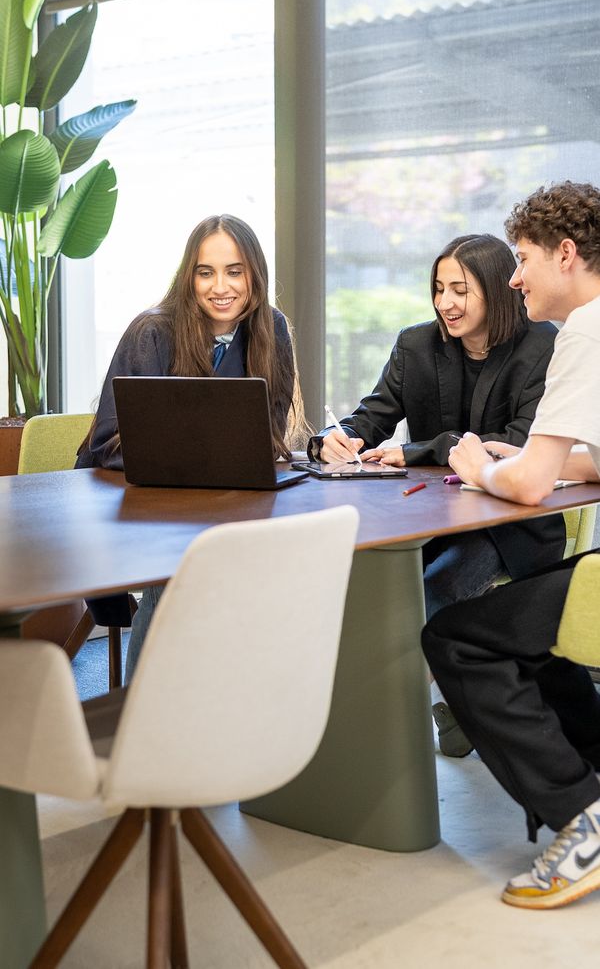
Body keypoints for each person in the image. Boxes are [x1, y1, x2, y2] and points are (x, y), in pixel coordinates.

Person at [308, 233, 564, 754]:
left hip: (506, 524)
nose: (445, 302)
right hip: (423, 517)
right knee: (357, 582)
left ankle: (372, 726)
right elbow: (370, 418)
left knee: (434, 590)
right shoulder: (416, 345)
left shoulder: (542, 345)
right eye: (439, 289)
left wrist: (418, 450)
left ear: (497, 289)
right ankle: (452, 702)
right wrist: (335, 438)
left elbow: (515, 445)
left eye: (460, 290)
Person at [422, 181, 600, 910]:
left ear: (566, 254)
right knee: (532, 631)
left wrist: (480, 467)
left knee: (457, 638)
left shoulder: (585, 330)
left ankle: (583, 821)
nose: (516, 277)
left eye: (523, 259)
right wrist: (534, 462)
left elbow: (525, 488)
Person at [77, 213, 306, 679]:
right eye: (206, 272)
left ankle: (233, 690)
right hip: (135, 503)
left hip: (227, 502)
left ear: (255, 274)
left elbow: (267, 430)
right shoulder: (152, 331)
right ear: (189, 277)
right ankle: (144, 701)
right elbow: (106, 443)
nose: (220, 287)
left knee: (278, 563)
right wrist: (200, 461)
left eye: (234, 271)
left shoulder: (272, 328)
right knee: (183, 562)